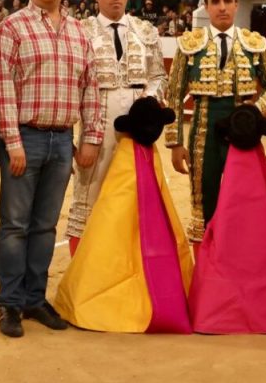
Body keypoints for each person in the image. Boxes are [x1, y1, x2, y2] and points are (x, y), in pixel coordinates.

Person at [0, 0, 103, 338]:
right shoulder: (12, 27)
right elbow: (0, 87)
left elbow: (90, 88)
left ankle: (34, 298)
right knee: (15, 225)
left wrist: (91, 138)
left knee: (45, 226)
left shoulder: (79, 32)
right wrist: (13, 141)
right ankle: (10, 302)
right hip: (25, 137)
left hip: (62, 141)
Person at [54, 97, 192, 334]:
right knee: (91, 202)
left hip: (124, 127)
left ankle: (88, 285)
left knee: (106, 217)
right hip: (104, 129)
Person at [165, 0, 266, 243]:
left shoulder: (254, 43)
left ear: (236, 4)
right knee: (203, 201)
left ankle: (235, 260)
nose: (222, 7)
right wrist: (175, 142)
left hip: (242, 132)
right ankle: (207, 263)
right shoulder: (189, 44)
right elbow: (174, 94)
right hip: (202, 130)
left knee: (241, 199)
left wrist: (255, 111)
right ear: (206, 7)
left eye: (227, 1)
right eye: (215, 2)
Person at [66, 0, 167, 255]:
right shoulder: (80, 31)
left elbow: (159, 76)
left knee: (136, 199)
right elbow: (70, 85)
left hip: (137, 131)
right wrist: (74, 141)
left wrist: (148, 102)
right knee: (88, 199)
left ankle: (129, 271)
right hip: (96, 127)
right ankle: (84, 275)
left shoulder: (145, 31)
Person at [188, 105, 266, 334]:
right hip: (237, 143)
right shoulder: (258, 165)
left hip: (228, 144)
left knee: (224, 225)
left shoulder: (234, 163)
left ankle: (217, 307)